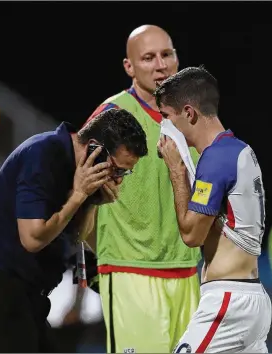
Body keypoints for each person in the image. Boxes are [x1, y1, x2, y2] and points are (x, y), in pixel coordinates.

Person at [84, 25, 201, 353]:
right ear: (129, 67)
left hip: (187, 273)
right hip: (130, 273)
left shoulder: (194, 116)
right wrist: (106, 252)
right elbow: (78, 192)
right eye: (148, 58)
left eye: (167, 54)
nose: (161, 65)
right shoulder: (111, 116)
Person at [0, 108, 148, 353]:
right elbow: (32, 239)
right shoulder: (42, 155)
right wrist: (78, 196)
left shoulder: (80, 171)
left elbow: (77, 237)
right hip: (4, 293)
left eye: (124, 172)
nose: (118, 180)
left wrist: (92, 201)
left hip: (30, 298)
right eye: (117, 169)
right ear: (94, 148)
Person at [155, 66, 272, 353]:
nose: (163, 126)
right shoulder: (236, 149)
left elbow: (192, 235)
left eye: (166, 116)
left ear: (189, 113)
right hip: (250, 295)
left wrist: (176, 172)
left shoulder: (216, 158)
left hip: (229, 301)